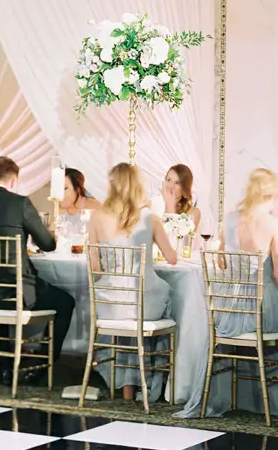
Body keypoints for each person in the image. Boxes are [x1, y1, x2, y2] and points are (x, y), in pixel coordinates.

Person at [178, 167, 278, 418]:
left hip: (228, 311)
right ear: (269, 195)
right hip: (259, 309)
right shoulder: (272, 223)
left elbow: (222, 264)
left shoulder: (230, 219)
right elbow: (277, 274)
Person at [0, 155, 75, 367]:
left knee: (5, 291)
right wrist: (50, 232)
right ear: (14, 181)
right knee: (66, 302)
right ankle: (43, 365)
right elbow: (48, 245)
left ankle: (4, 365)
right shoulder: (20, 203)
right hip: (17, 293)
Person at [89, 162, 176, 401]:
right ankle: (153, 381)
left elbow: (95, 268)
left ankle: (126, 387)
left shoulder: (97, 217)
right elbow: (172, 258)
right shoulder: (150, 217)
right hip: (143, 302)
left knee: (125, 317)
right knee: (166, 300)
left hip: (110, 304)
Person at [163, 163, 201, 232]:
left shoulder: (193, 212)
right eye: (168, 180)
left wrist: (169, 208)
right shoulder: (153, 206)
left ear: (184, 190)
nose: (170, 186)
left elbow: (178, 239)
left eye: (177, 183)